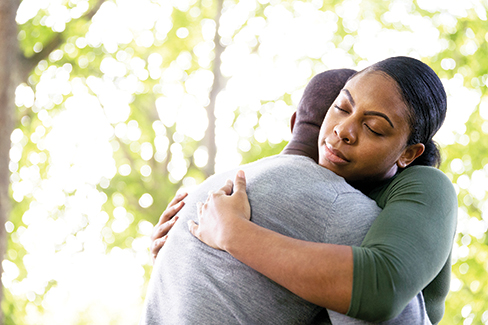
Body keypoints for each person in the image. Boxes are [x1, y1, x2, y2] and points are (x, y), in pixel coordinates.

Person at [146, 57, 457, 323]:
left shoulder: (421, 186)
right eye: (340, 107)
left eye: (373, 128)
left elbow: (383, 287)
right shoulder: (324, 199)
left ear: (408, 154)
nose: (343, 130)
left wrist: (233, 233)